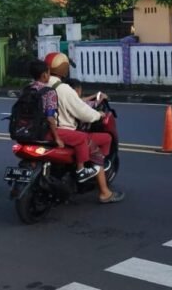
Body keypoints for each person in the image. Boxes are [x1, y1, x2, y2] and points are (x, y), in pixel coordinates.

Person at [45, 53, 124, 203]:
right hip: (64, 132)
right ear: (64, 69)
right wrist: (99, 115)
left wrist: (91, 98)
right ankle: (104, 192)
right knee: (101, 145)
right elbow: (83, 112)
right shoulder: (63, 89)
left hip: (43, 132)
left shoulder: (39, 85)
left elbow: (76, 102)